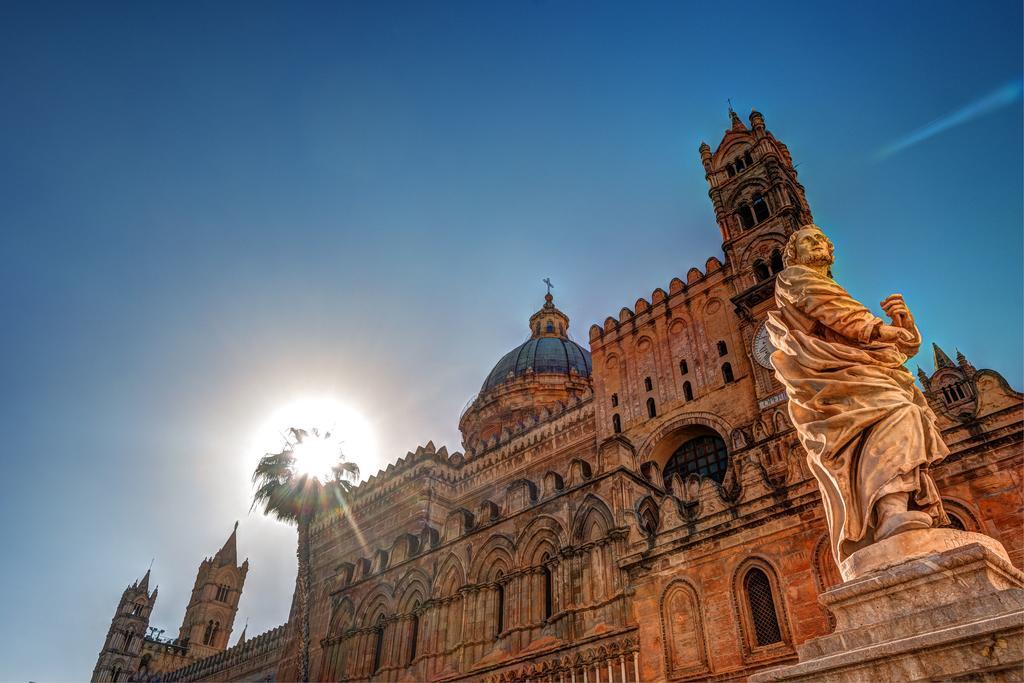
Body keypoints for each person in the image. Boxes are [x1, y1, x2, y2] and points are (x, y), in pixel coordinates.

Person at [766, 225, 948, 563]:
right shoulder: (793, 277)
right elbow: (837, 315)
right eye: (808, 240)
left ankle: (895, 508)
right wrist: (881, 329)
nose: (817, 243)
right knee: (895, 412)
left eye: (821, 238)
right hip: (830, 379)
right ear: (792, 254)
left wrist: (905, 329)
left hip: (853, 370)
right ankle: (891, 510)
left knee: (901, 414)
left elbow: (868, 338)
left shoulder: (830, 285)